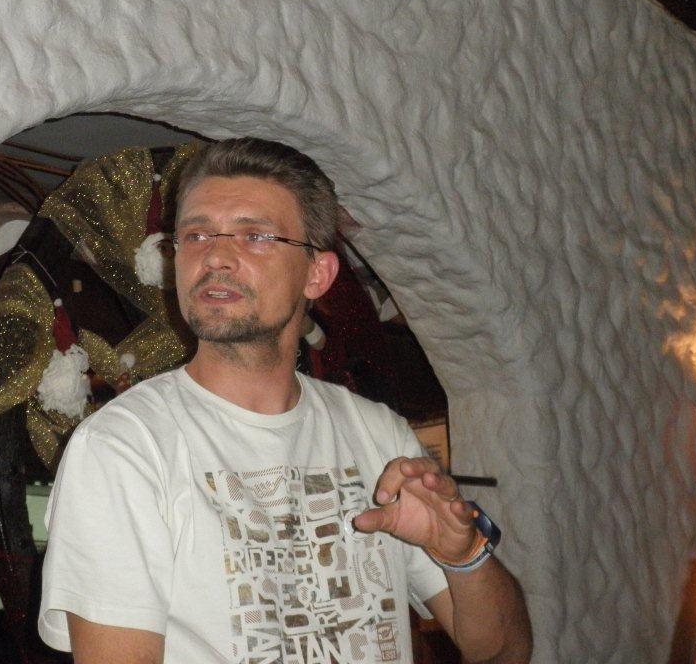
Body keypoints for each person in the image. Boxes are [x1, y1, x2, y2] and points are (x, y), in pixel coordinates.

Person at [38, 139, 532, 663]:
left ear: (317, 275)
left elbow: (506, 652)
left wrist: (464, 553)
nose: (215, 256)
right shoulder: (124, 446)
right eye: (196, 235)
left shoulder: (377, 434)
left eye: (255, 236)